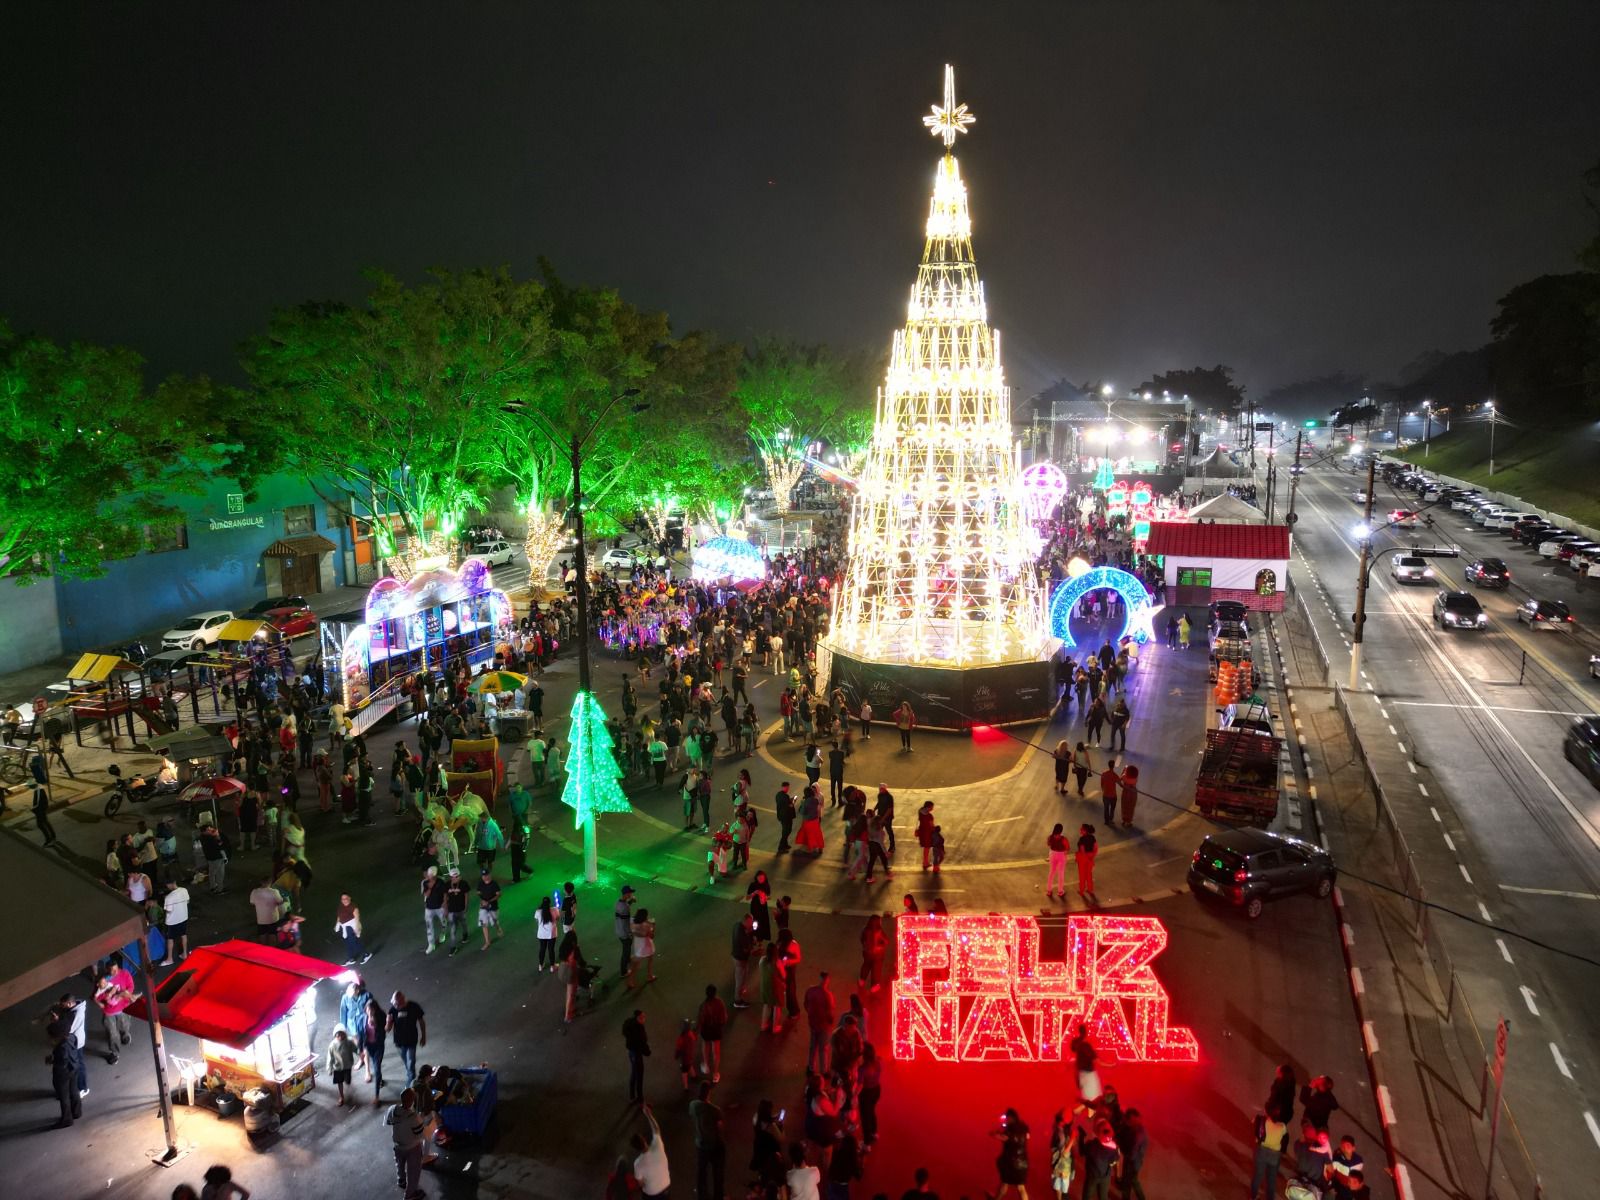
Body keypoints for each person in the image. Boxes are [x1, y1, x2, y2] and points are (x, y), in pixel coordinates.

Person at [385, 1086, 428, 1200]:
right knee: (413, 1171)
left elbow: (388, 1122)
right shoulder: (413, 1117)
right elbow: (421, 1135)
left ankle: (401, 1180)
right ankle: (410, 1194)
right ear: (412, 1101)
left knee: (399, 1164)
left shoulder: (392, 1109)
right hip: (412, 1148)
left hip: (397, 1146)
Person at [92, 953, 136, 1064]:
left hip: (123, 1007)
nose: (115, 972)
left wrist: (123, 994)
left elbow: (131, 986)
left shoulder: (125, 973)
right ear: (107, 970)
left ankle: (125, 1035)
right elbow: (96, 996)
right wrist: (106, 996)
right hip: (109, 1011)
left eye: (116, 969)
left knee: (125, 1024)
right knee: (112, 1033)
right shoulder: (102, 980)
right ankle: (115, 1053)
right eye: (112, 970)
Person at [689, 1080, 726, 1200]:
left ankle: (702, 1194)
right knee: (717, 1173)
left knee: (702, 1171)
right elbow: (720, 1127)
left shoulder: (693, 1105)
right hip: (715, 1145)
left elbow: (692, 1115)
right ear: (708, 1093)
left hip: (700, 1143)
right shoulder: (715, 1110)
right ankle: (718, 1196)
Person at [46, 1022, 83, 1128]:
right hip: (75, 1067)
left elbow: (62, 1063)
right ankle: (77, 1112)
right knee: (74, 1090)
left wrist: (52, 1061)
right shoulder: (72, 1037)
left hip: (64, 1073)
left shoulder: (61, 1048)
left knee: (64, 1096)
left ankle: (67, 1119)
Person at [386, 991, 426, 1087]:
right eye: (394, 1004)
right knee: (406, 1061)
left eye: (397, 1004)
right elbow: (387, 1029)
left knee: (411, 1061)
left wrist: (423, 1036)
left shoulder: (414, 1007)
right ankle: (411, 1074)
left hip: (411, 1040)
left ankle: (411, 1082)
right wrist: (388, 1022)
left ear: (403, 1000)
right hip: (399, 1042)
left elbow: (421, 1021)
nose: (395, 1006)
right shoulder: (392, 1010)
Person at [632, 1104, 671, 1199]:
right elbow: (656, 1129)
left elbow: (640, 1184)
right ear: (644, 1140)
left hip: (652, 1193)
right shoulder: (658, 1146)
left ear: (636, 1149)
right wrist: (648, 1115)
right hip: (666, 1186)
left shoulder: (638, 1163)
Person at [991, 1108, 1030, 1199]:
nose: (1006, 1120)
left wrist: (994, 1134)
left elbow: (1005, 1138)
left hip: (1011, 1163)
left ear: (1011, 1118)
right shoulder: (1024, 1126)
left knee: (1005, 1183)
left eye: (1007, 1118)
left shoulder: (1010, 1128)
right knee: (1021, 1187)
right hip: (1023, 1162)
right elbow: (1028, 1136)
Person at [803, 969, 836, 1076]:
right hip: (824, 1026)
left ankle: (810, 1067)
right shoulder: (828, 995)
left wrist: (811, 1015)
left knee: (813, 1046)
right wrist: (830, 1023)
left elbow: (806, 1004)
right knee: (823, 1048)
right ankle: (824, 1070)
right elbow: (830, 1013)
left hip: (813, 1023)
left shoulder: (810, 991)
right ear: (827, 981)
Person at [1080, 1118, 1121, 1200]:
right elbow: (1114, 1160)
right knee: (1103, 1196)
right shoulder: (1114, 1147)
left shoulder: (1092, 1145)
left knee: (1087, 1196)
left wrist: (1081, 1137)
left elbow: (1082, 1152)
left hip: (1092, 1176)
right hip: (1105, 1176)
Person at [698, 984, 728, 1082]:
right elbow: (724, 1018)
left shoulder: (703, 1005)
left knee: (705, 1045)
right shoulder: (720, 1003)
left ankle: (706, 1066)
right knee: (716, 1052)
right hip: (716, 1030)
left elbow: (700, 1020)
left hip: (706, 1030)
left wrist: (697, 1030)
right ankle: (715, 1074)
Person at [1118, 1108, 1148, 1200]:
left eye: (1128, 1121)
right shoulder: (1135, 1128)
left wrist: (1120, 1145)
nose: (1126, 1122)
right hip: (1133, 1160)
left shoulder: (1138, 1135)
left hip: (1133, 1162)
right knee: (1131, 1180)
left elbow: (1132, 1153)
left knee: (1129, 1181)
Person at [857, 1042, 883, 1147]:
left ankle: (866, 1143)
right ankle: (874, 1132)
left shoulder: (862, 1069)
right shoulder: (878, 1062)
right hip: (876, 1090)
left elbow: (860, 1085)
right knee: (871, 1111)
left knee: (865, 1117)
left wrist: (854, 1095)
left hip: (866, 1093)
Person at [623, 1009, 650, 1104]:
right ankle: (640, 1098)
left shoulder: (629, 1023)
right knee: (639, 1075)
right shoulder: (638, 1029)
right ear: (638, 1018)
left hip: (631, 1052)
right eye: (643, 1017)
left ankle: (632, 1096)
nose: (645, 1019)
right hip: (637, 1054)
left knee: (634, 1073)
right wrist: (647, 1052)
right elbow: (642, 1042)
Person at [335, 892, 370, 965]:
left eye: (346, 898)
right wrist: (337, 924)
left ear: (349, 898)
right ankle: (351, 959)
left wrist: (357, 928)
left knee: (354, 942)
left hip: (351, 926)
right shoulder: (340, 906)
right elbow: (339, 916)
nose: (344, 900)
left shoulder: (353, 907)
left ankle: (366, 954)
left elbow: (357, 918)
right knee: (347, 943)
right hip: (344, 927)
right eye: (343, 899)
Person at [758, 941, 786, 1033]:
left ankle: (763, 1025)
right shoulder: (777, 962)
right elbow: (784, 976)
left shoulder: (762, 960)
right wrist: (783, 964)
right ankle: (775, 1027)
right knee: (777, 1006)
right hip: (775, 987)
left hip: (765, 986)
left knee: (767, 1005)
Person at [1050, 1109, 1079, 1196]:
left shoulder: (1059, 1127)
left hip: (1059, 1163)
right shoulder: (1061, 1134)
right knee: (1062, 1188)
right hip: (1062, 1165)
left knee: (1058, 1187)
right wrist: (1073, 1138)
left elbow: (1074, 1113)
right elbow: (1065, 1153)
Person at [326, 1027, 358, 1107]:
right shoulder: (332, 1045)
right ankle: (341, 1096)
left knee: (347, 1081)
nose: (340, 1036)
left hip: (347, 1066)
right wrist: (329, 1068)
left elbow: (355, 1049)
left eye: (342, 1034)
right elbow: (330, 1058)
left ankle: (346, 1081)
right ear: (335, 1035)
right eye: (338, 1035)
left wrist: (360, 1053)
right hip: (337, 1067)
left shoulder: (349, 1042)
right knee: (339, 1082)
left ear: (345, 1034)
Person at [161, 880, 191, 964]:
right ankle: (184, 954)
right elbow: (187, 901)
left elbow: (168, 911)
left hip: (172, 921)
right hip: (183, 917)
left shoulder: (169, 897)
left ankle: (170, 959)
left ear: (169, 884)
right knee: (183, 935)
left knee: (170, 939)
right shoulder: (184, 890)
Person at [1071, 1023, 1101, 1100]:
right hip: (1086, 1070)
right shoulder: (1084, 1044)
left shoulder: (1078, 1042)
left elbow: (1073, 1048)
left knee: (1087, 1093)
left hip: (1082, 1069)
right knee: (1091, 1095)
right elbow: (1094, 1057)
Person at [858, 915, 888, 993]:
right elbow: (886, 941)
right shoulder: (879, 931)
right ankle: (874, 986)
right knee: (876, 970)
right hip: (877, 955)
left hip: (867, 953)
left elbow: (861, 939)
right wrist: (881, 947)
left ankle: (862, 980)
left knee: (866, 966)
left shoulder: (865, 929)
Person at [477, 868, 504, 950]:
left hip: (493, 907)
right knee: (484, 924)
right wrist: (482, 900)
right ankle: (487, 942)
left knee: (494, 922)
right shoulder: (480, 883)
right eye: (483, 876)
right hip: (483, 907)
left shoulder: (494, 884)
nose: (484, 877)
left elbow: (499, 894)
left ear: (489, 875)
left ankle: (498, 928)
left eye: (486, 875)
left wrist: (489, 901)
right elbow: (478, 892)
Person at [673, 1018, 698, 1092]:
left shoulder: (681, 1038)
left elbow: (678, 1049)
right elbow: (694, 1038)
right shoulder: (691, 1034)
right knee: (690, 1065)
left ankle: (686, 1087)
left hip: (685, 1058)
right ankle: (694, 1076)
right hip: (690, 1055)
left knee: (684, 1072)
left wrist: (676, 1056)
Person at [1045, 822, 1069, 899]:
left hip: (1052, 854)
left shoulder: (1050, 837)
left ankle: (1049, 890)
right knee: (1061, 873)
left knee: (1051, 872)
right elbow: (1067, 848)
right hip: (1061, 855)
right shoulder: (1063, 839)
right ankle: (1060, 891)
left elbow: (1048, 844)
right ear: (1061, 831)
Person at [1076, 824, 1098, 899]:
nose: (1080, 830)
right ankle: (1090, 890)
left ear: (1085, 831)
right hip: (1090, 857)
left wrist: (1086, 859)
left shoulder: (1082, 839)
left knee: (1082, 875)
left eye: (1081, 829)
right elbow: (1096, 848)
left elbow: (1082, 850)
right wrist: (1092, 857)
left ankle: (1082, 890)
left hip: (1083, 858)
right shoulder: (1092, 837)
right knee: (1089, 874)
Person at [915, 801, 936, 870]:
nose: (932, 808)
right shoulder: (929, 816)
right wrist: (935, 831)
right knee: (927, 848)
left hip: (922, 831)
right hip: (928, 833)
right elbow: (932, 825)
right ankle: (925, 863)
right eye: (931, 807)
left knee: (925, 848)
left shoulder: (920, 812)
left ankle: (925, 862)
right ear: (928, 807)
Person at [1119, 764, 1139, 828]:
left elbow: (1119, 780)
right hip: (1133, 793)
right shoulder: (1135, 779)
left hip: (1125, 792)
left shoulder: (1124, 776)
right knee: (1131, 807)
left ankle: (1124, 820)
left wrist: (1123, 770)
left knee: (1124, 806)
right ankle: (1129, 821)